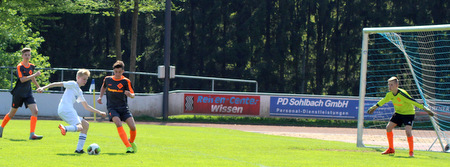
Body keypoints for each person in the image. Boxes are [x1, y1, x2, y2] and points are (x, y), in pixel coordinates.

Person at [37, 69, 106, 153]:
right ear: (78, 77)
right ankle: (65, 129)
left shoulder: (79, 91)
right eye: (84, 79)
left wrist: (100, 112)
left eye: (86, 79)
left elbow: (86, 106)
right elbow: (57, 84)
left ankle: (79, 149)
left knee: (85, 125)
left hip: (64, 110)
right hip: (66, 109)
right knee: (80, 127)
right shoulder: (73, 84)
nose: (85, 81)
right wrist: (43, 87)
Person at [367, 76, 435, 157]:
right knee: (388, 128)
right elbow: (384, 100)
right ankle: (391, 149)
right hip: (398, 113)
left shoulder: (402, 94)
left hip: (408, 114)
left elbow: (413, 101)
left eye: (391, 85)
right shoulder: (389, 94)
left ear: (397, 85)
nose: (389, 87)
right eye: (389, 85)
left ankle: (411, 152)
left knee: (408, 132)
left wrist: (425, 109)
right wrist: (374, 107)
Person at [0, 48, 43, 140]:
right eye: (26, 55)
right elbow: (22, 79)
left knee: (35, 111)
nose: (27, 56)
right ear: (22, 56)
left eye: (29, 55)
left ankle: (32, 134)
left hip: (28, 93)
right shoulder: (20, 66)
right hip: (18, 93)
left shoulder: (31, 66)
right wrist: (34, 75)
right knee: (12, 114)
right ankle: (1, 127)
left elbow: (32, 78)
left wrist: (38, 87)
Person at [97, 60, 137, 153]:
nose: (117, 74)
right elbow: (103, 87)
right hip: (112, 108)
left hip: (123, 108)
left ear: (123, 71)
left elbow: (133, 94)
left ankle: (131, 142)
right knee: (118, 123)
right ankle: (128, 147)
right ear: (113, 71)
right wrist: (100, 97)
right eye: (116, 72)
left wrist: (130, 95)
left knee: (133, 127)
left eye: (119, 72)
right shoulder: (108, 79)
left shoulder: (126, 81)